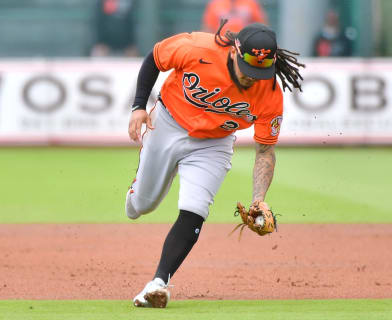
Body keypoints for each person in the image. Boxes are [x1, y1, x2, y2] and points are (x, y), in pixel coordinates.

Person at [124, 20, 305, 308]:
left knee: (195, 208)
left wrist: (259, 198)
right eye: (249, 70)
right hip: (169, 122)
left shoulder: (269, 93)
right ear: (234, 51)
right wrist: (138, 106)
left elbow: (265, 151)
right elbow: (155, 58)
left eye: (260, 72)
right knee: (140, 206)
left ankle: (158, 283)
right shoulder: (198, 48)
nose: (252, 78)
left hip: (214, 143)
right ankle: (137, 191)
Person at [202, 0, 268, 34]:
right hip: (221, 44)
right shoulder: (215, 3)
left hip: (244, 44)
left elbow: (262, 26)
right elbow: (208, 28)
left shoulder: (251, 3)